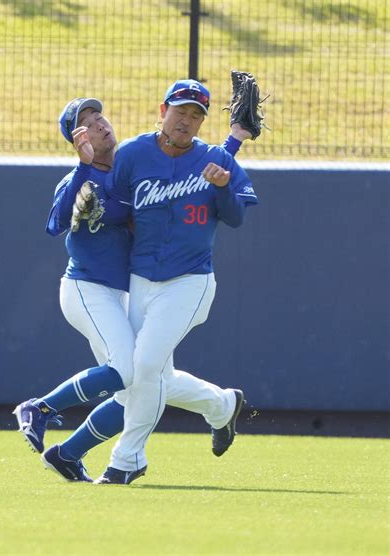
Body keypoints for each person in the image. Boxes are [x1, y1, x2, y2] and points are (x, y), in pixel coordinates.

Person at [13, 90, 254, 483]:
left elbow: (190, 168)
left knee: (146, 379)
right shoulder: (82, 179)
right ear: (77, 139)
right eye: (86, 123)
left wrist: (233, 142)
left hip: (131, 289)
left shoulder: (128, 163)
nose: (98, 124)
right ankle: (44, 411)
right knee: (132, 372)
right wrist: (81, 169)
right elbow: (56, 224)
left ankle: (222, 407)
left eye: (99, 117)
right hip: (89, 289)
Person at [95, 79, 258, 485]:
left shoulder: (216, 160)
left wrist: (222, 189)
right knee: (149, 375)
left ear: (203, 122)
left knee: (145, 365)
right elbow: (114, 204)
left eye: (196, 114)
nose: (186, 120)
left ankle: (127, 459)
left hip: (190, 281)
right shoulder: (133, 153)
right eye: (180, 110)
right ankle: (222, 405)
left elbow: (237, 217)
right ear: (162, 109)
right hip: (140, 278)